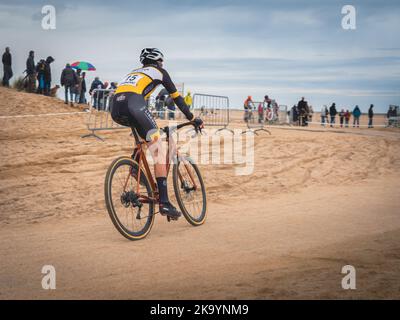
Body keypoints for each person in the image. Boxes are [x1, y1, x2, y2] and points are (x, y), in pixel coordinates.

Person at [111, 48, 203, 219]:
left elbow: (138, 98)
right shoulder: (160, 72)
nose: (162, 64)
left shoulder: (134, 72)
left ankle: (134, 166)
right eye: (162, 61)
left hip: (115, 108)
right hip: (133, 105)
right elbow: (177, 98)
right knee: (159, 149)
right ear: (159, 61)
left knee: (144, 138)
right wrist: (192, 118)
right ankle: (165, 203)